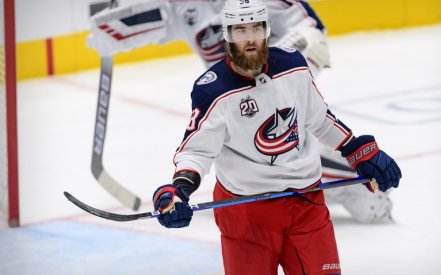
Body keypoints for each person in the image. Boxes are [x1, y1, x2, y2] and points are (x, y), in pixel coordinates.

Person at [151, 0, 402, 273]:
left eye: (256, 28)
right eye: (240, 30)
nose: (249, 39)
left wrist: (355, 149)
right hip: (246, 212)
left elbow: (318, 119)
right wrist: (180, 189)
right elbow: (197, 151)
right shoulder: (212, 90)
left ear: (267, 29)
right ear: (226, 33)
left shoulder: (293, 65)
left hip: (307, 202)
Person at [88, 0, 394, 223]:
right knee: (246, 152)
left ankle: (360, 189)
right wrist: (114, 30)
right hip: (230, 104)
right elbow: (159, 19)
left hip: (279, 90)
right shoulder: (185, 6)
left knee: (287, 151)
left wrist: (274, 68)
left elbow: (312, 32)